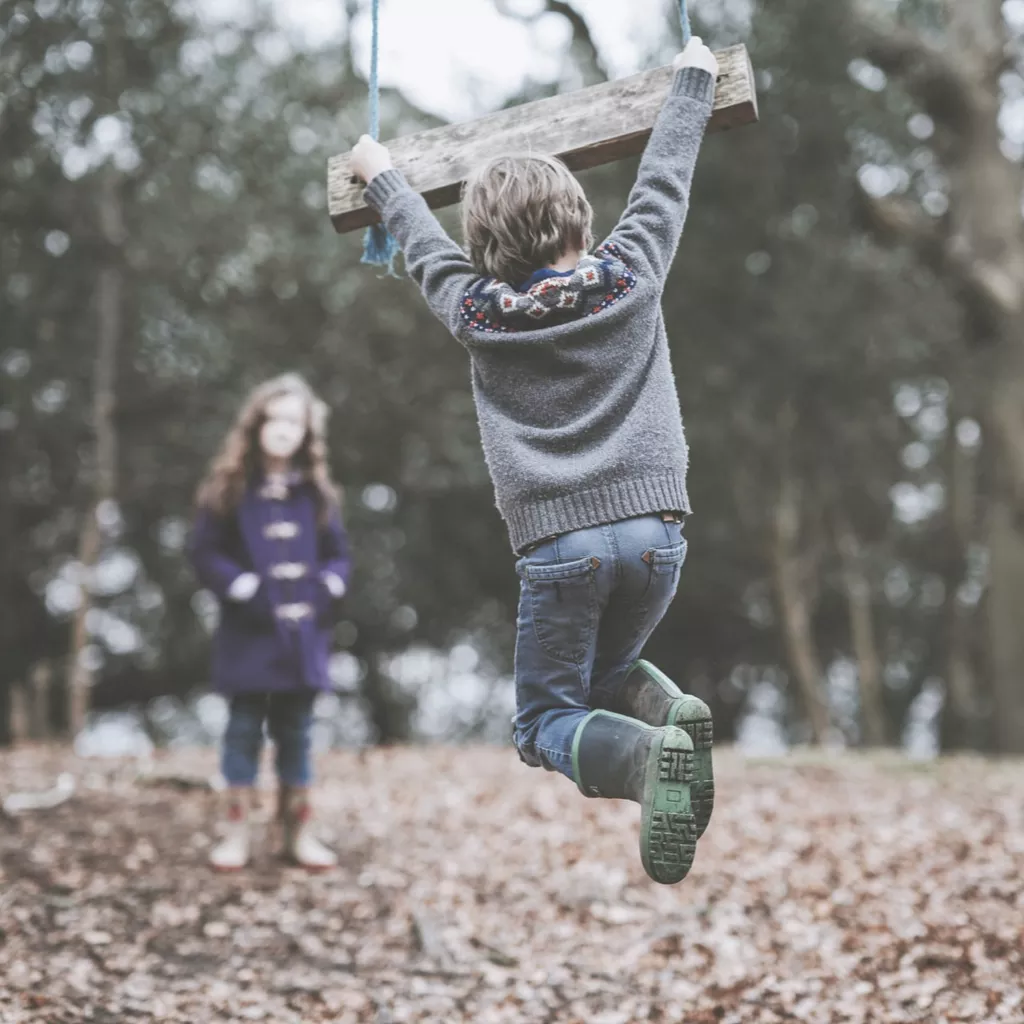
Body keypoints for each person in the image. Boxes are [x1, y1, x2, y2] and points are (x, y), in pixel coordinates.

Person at [349, 38, 720, 884]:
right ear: (582, 218)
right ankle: (673, 715)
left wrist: (382, 173)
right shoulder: (633, 274)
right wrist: (692, 76)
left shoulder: (479, 311)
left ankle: (644, 762)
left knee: (545, 720)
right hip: (658, 534)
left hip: (562, 548)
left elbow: (419, 243)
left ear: (490, 246)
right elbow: (666, 176)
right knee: (610, 673)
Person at [189, 373, 350, 871]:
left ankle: (297, 834)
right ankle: (235, 833)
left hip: (302, 640)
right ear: (256, 425)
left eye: (294, 421)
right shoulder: (228, 489)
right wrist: (243, 587)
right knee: (241, 730)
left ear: (307, 432)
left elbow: (339, 556)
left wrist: (327, 587)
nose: (283, 430)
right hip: (248, 636)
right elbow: (202, 550)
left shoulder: (317, 494)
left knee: (297, 732)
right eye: (274, 418)